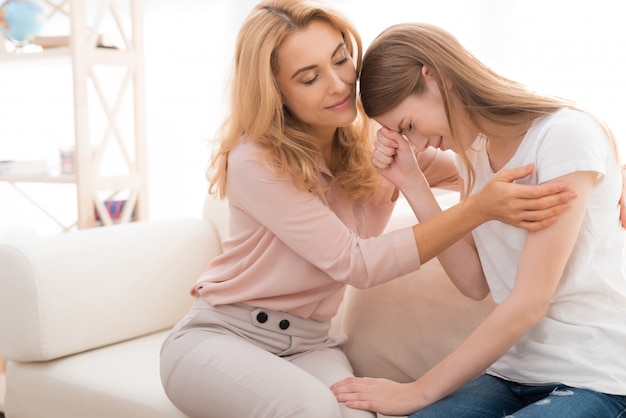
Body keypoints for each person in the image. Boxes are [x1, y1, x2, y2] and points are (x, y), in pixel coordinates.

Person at [159, 3, 576, 417]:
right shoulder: (256, 159)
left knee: (360, 413)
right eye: (310, 77)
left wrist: (609, 168)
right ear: (277, 93)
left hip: (310, 344)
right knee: (311, 408)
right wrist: (475, 211)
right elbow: (355, 263)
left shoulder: (381, 144)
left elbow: (491, 166)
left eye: (342, 60)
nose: (340, 85)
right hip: (221, 337)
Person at [331, 22, 626, 418]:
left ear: (434, 75)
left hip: (594, 376)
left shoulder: (564, 135)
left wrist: (418, 391)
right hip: (514, 373)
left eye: (410, 126)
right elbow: (474, 282)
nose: (416, 144)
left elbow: (528, 302)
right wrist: (413, 184)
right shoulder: (475, 153)